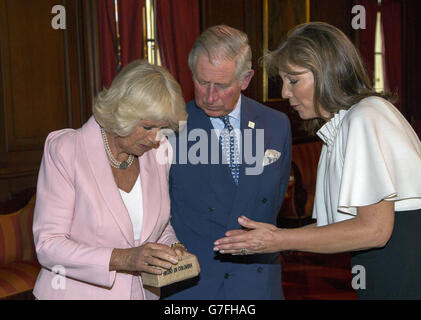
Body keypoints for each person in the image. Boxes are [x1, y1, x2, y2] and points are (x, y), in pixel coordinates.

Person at [213, 22, 421, 299]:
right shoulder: (345, 126)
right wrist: (275, 236)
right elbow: (335, 227)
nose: (286, 93)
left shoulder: (366, 117)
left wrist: (278, 239)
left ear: (327, 74)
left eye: (294, 80)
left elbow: (375, 231)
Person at [32, 60, 194, 300]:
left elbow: (156, 227)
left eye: (163, 128)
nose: (155, 138)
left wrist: (174, 248)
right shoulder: (67, 150)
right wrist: (125, 258)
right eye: (148, 126)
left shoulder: (160, 153)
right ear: (122, 113)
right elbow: (49, 245)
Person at [162, 25, 292, 300]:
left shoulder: (276, 125)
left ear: (245, 79)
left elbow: (274, 201)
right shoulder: (170, 128)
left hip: (257, 284)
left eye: (221, 85)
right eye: (201, 81)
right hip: (193, 287)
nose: (209, 96)